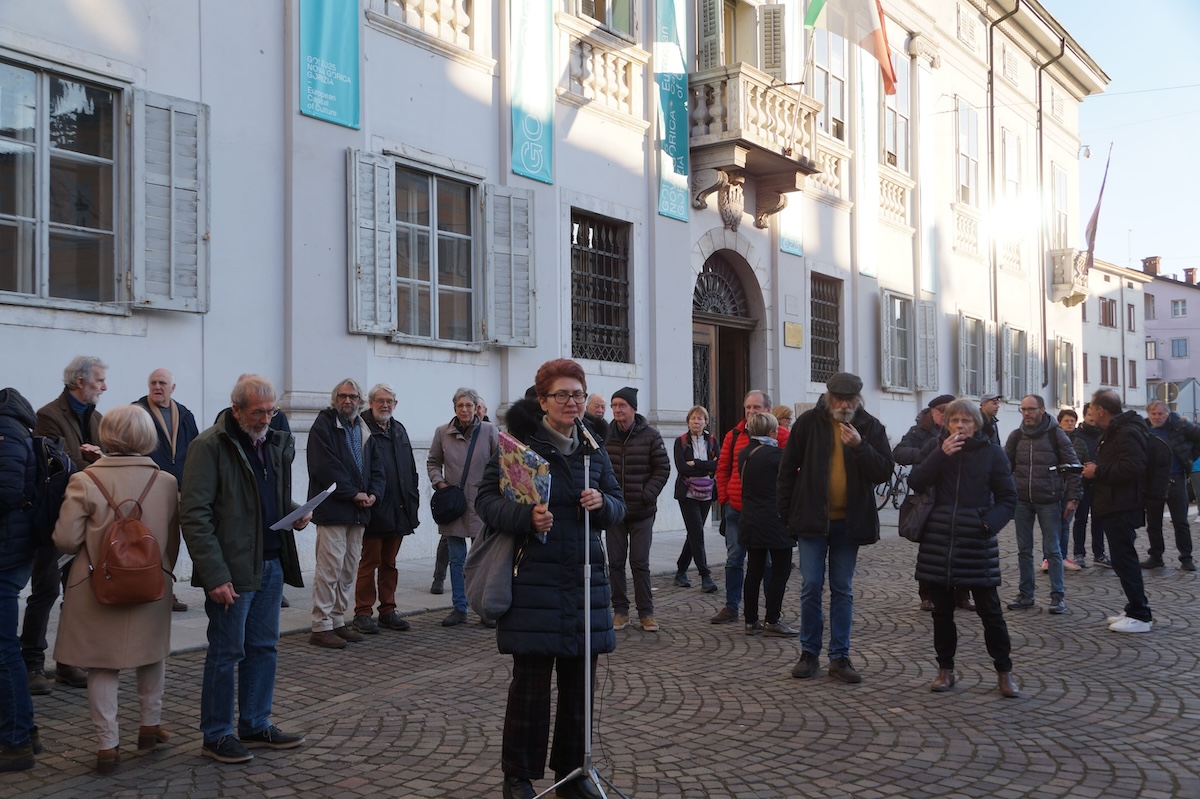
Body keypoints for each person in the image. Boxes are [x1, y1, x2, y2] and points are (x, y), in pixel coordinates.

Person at [475, 358, 625, 799]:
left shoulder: (593, 447)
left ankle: (574, 773)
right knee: (530, 688)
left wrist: (602, 503)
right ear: (542, 400)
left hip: (584, 583)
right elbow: (485, 502)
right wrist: (526, 517)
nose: (572, 402)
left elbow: (618, 504)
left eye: (578, 394)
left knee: (580, 690)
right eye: (562, 394)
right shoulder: (517, 446)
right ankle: (518, 777)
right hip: (534, 583)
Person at [181, 375, 309, 764]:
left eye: (271, 411)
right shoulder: (208, 446)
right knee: (226, 652)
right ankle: (216, 734)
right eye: (258, 412)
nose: (266, 418)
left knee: (264, 648)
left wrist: (294, 512)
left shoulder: (270, 441)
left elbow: (267, 494)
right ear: (236, 410)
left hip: (269, 562)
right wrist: (215, 575)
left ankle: (255, 723)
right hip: (232, 570)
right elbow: (195, 515)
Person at [52, 405, 180, 774]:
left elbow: (65, 539)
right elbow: (172, 540)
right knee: (151, 654)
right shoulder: (167, 482)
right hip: (152, 581)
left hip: (96, 585)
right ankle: (149, 727)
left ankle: (108, 746)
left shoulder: (85, 480)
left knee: (102, 666)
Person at [778, 372, 892, 683]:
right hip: (811, 521)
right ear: (828, 397)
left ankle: (840, 657)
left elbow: (883, 471)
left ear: (858, 399)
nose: (844, 404)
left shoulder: (869, 426)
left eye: (849, 399)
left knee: (842, 589)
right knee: (810, 586)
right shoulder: (808, 423)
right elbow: (787, 470)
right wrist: (787, 515)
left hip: (849, 522)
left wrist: (860, 445)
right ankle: (809, 652)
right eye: (838, 398)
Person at [908, 400, 1020, 698]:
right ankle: (945, 670)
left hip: (975, 541)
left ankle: (1004, 672)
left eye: (966, 421)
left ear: (976, 425)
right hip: (938, 541)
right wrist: (939, 456)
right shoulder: (936, 447)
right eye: (954, 420)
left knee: (991, 612)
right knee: (941, 613)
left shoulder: (992, 453)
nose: (959, 425)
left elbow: (1008, 498)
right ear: (946, 424)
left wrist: (986, 525)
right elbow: (916, 481)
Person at [26, 355, 107, 694]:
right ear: (79, 382)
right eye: (98, 381)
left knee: (77, 593)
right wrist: (88, 460)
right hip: (55, 517)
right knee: (45, 590)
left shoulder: (100, 417)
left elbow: (110, 458)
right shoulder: (48, 415)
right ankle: (31, 663)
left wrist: (104, 458)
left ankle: (68, 662)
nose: (104, 387)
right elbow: (52, 464)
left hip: (87, 516)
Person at [307, 379, 385, 649]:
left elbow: (376, 467)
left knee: (348, 569)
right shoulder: (324, 425)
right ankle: (321, 625)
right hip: (333, 509)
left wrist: (374, 493)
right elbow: (324, 466)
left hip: (359, 511)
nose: (347, 401)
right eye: (342, 396)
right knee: (329, 570)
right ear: (335, 398)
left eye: (352, 397)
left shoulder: (363, 428)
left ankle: (338, 620)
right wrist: (353, 492)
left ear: (360, 402)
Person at [711, 390, 789, 624]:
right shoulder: (733, 435)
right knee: (734, 558)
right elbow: (723, 468)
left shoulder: (782, 435)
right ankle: (732, 606)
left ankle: (768, 611)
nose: (751, 411)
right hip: (736, 506)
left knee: (765, 563)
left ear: (767, 410)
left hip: (767, 510)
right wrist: (724, 497)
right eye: (748, 407)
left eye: (756, 407)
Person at [1081, 390, 1153, 633]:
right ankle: (1134, 607)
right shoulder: (1118, 430)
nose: (1090, 413)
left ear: (1101, 410)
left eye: (1091, 408)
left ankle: (1140, 615)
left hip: (1122, 505)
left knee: (1125, 560)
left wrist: (1097, 471)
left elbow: (1133, 467)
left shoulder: (1126, 431)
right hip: (1115, 504)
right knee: (1123, 560)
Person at [1003, 395, 1081, 615]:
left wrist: (1073, 498)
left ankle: (1058, 596)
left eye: (1031, 409)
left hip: (1049, 500)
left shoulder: (1057, 435)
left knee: (1053, 550)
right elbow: (1004, 467)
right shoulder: (1016, 436)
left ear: (1042, 409)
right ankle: (1026, 594)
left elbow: (1074, 467)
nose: (1026, 413)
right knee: (1023, 550)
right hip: (1022, 501)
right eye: (1023, 409)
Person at [894, 395, 972, 613]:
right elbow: (899, 452)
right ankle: (927, 594)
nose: (948, 416)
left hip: (958, 497)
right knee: (931, 552)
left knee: (963, 550)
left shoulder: (965, 431)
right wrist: (929, 454)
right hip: (929, 497)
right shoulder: (919, 431)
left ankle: (963, 593)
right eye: (943, 411)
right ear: (932, 412)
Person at [352, 384, 420, 635]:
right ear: (370, 403)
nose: (385, 405)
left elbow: (410, 469)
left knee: (390, 563)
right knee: (369, 562)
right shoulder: (360, 428)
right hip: (374, 507)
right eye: (380, 400)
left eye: (390, 401)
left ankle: (388, 610)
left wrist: (413, 500)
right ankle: (363, 613)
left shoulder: (398, 429)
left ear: (395, 403)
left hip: (400, 507)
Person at [427, 388, 499, 626]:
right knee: (457, 559)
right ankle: (459, 607)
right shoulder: (442, 433)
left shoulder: (489, 431)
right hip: (454, 505)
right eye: (460, 406)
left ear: (476, 407)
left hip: (482, 504)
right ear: (454, 408)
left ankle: (484, 609)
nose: (465, 410)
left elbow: (501, 463)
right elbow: (433, 462)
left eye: (469, 405)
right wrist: (440, 483)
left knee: (483, 560)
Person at [604, 387, 670, 632]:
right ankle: (620, 611)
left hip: (642, 511)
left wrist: (647, 494)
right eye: (614, 405)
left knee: (639, 562)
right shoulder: (605, 435)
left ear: (633, 408)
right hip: (615, 511)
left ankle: (646, 612)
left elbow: (662, 468)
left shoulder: (651, 435)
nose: (617, 410)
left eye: (622, 405)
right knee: (615, 563)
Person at [134, 368, 200, 612]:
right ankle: (150, 589)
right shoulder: (137, 412)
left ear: (173, 388)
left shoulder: (184, 414)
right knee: (153, 540)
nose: (157, 387)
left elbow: (195, 448)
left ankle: (166, 590)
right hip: (150, 488)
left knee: (173, 542)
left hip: (181, 487)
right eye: (153, 382)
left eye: (162, 383)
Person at [0, 388, 42, 772]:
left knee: (3, 650)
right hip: (11, 549)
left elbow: (8, 490)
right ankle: (23, 731)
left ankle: (14, 743)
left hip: (6, 553)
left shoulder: (5, 428)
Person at [738, 413, 798, 637]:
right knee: (781, 570)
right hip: (775, 520)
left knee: (754, 570)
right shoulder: (776, 456)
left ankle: (750, 620)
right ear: (772, 432)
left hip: (751, 519)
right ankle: (772, 619)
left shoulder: (745, 453)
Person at [1141, 399, 1200, 571]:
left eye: (1160, 414)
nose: (1157, 417)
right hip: (1153, 482)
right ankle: (1156, 556)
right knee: (1153, 522)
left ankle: (1186, 558)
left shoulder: (1180, 426)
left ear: (1167, 414)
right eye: (1153, 414)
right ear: (1148, 414)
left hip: (1176, 479)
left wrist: (1190, 458)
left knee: (1180, 522)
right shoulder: (1144, 429)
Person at [672, 405, 719, 593]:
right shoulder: (680, 441)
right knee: (697, 532)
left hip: (706, 492)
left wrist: (698, 464)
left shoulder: (712, 441)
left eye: (700, 419)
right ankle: (705, 576)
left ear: (705, 422)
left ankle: (681, 571)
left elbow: (718, 464)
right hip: (687, 493)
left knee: (694, 533)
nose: (696, 422)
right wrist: (706, 467)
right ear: (688, 421)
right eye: (693, 418)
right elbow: (682, 468)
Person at [1071, 403, 1108, 568]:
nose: (1092, 418)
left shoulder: (1105, 434)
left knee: (1099, 519)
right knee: (1081, 518)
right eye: (1089, 415)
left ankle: (1099, 554)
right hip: (1082, 482)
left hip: (1100, 481)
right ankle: (1079, 553)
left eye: (1095, 414)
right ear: (1084, 416)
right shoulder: (1077, 435)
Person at [1055, 408, 1090, 572]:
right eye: (1066, 421)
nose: (1069, 424)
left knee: (1065, 524)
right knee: (1052, 525)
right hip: (1054, 488)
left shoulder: (1080, 442)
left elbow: (1085, 462)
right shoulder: (1053, 439)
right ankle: (1050, 557)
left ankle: (1062, 556)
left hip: (1071, 489)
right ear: (1059, 422)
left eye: (1072, 421)